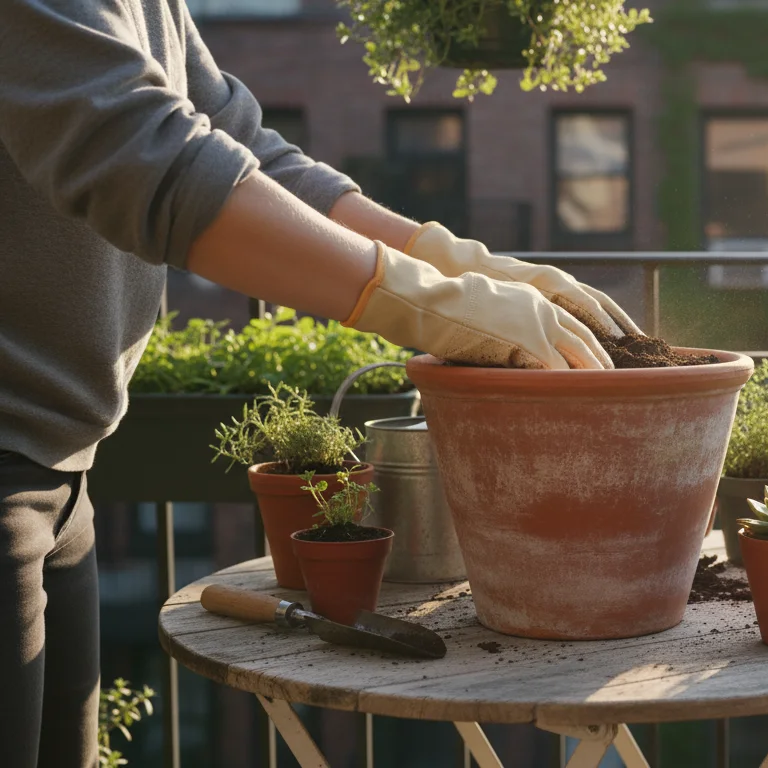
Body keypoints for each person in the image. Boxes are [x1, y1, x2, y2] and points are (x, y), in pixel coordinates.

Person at [0, 1, 642, 764]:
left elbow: (244, 153)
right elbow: (143, 158)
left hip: (58, 467)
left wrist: (456, 263)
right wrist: (428, 306)